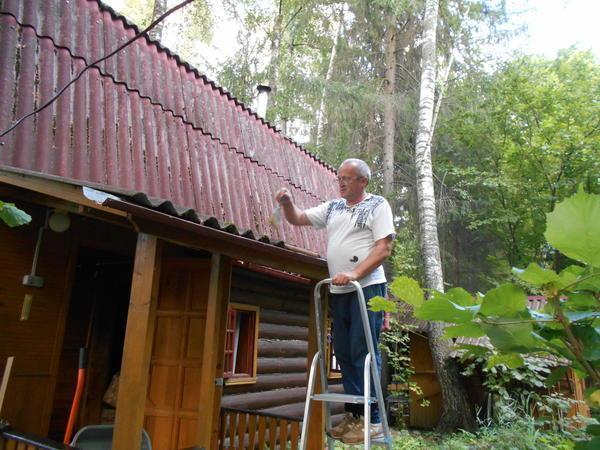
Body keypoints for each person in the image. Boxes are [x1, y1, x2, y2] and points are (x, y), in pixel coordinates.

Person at [274, 158, 395, 444]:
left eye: (347, 178)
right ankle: (354, 416)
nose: (340, 182)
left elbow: (384, 248)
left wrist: (354, 272)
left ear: (362, 182)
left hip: (366, 287)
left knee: (362, 351)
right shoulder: (333, 207)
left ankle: (373, 420)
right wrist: (288, 203)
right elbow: (298, 218)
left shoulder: (378, 205)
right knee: (342, 353)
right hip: (340, 291)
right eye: (339, 177)